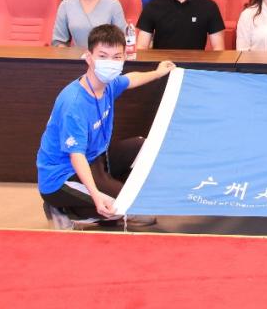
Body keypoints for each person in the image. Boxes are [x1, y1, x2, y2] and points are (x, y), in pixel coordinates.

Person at [38, 24, 175, 229]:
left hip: (95, 159)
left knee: (145, 147)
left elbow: (130, 79)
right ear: (89, 57)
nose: (110, 63)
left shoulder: (108, 83)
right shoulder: (74, 103)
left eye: (116, 57)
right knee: (127, 207)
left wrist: (157, 73)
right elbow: (76, 156)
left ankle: (108, 195)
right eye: (103, 56)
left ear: (124, 58)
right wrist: (96, 195)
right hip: (61, 176)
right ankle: (63, 209)